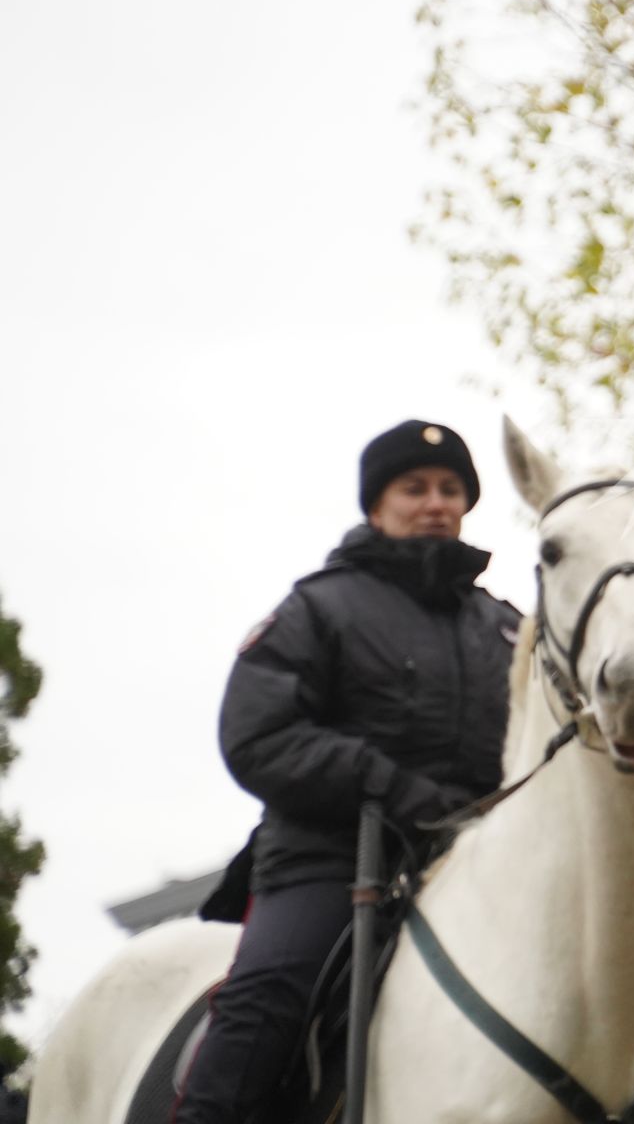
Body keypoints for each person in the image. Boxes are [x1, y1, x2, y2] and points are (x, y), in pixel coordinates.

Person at [172, 420, 520, 1124]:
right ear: (375, 505)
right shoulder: (317, 608)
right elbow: (258, 736)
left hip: (481, 867)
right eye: (414, 487)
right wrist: (393, 790)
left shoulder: (508, 626)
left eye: (451, 489)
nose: (436, 502)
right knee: (267, 997)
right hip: (330, 862)